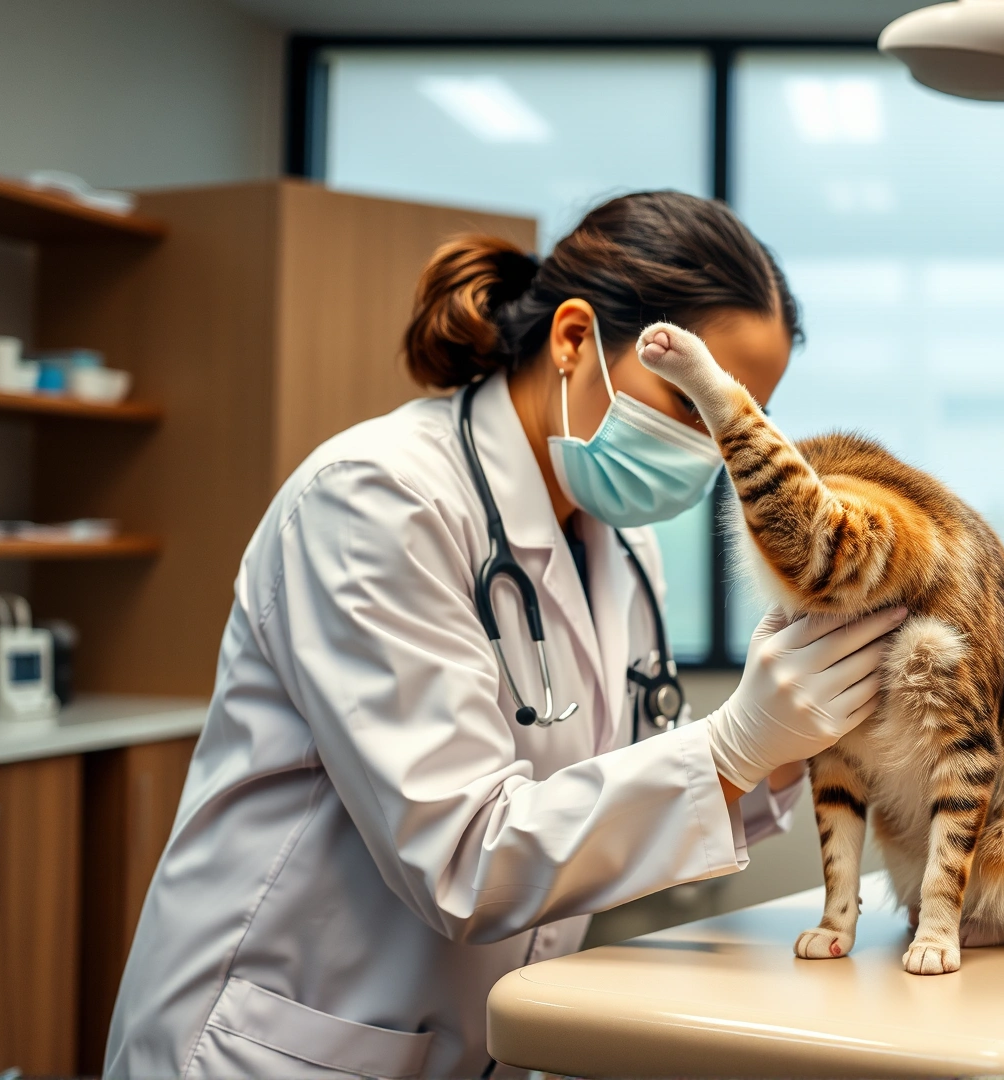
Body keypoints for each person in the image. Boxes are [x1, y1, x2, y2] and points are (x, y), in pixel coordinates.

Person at [104, 192, 900, 1080]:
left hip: (470, 1044)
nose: (715, 449)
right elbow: (463, 859)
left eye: (737, 423)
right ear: (572, 340)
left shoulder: (623, 547)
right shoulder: (378, 499)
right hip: (278, 1043)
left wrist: (781, 753)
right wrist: (730, 748)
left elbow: (597, 809)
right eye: (693, 406)